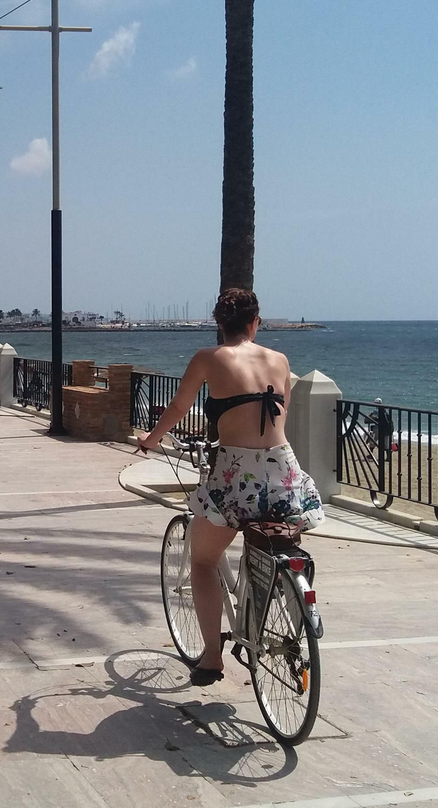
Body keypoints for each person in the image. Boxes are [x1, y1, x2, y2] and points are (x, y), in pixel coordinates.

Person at [136, 288, 323, 687]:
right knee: (273, 542)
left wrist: (151, 439)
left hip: (236, 472)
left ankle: (211, 658)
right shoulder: (279, 359)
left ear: (219, 324)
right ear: (255, 322)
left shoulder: (208, 358)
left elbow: (179, 407)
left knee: (204, 561)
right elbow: (280, 412)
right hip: (283, 470)